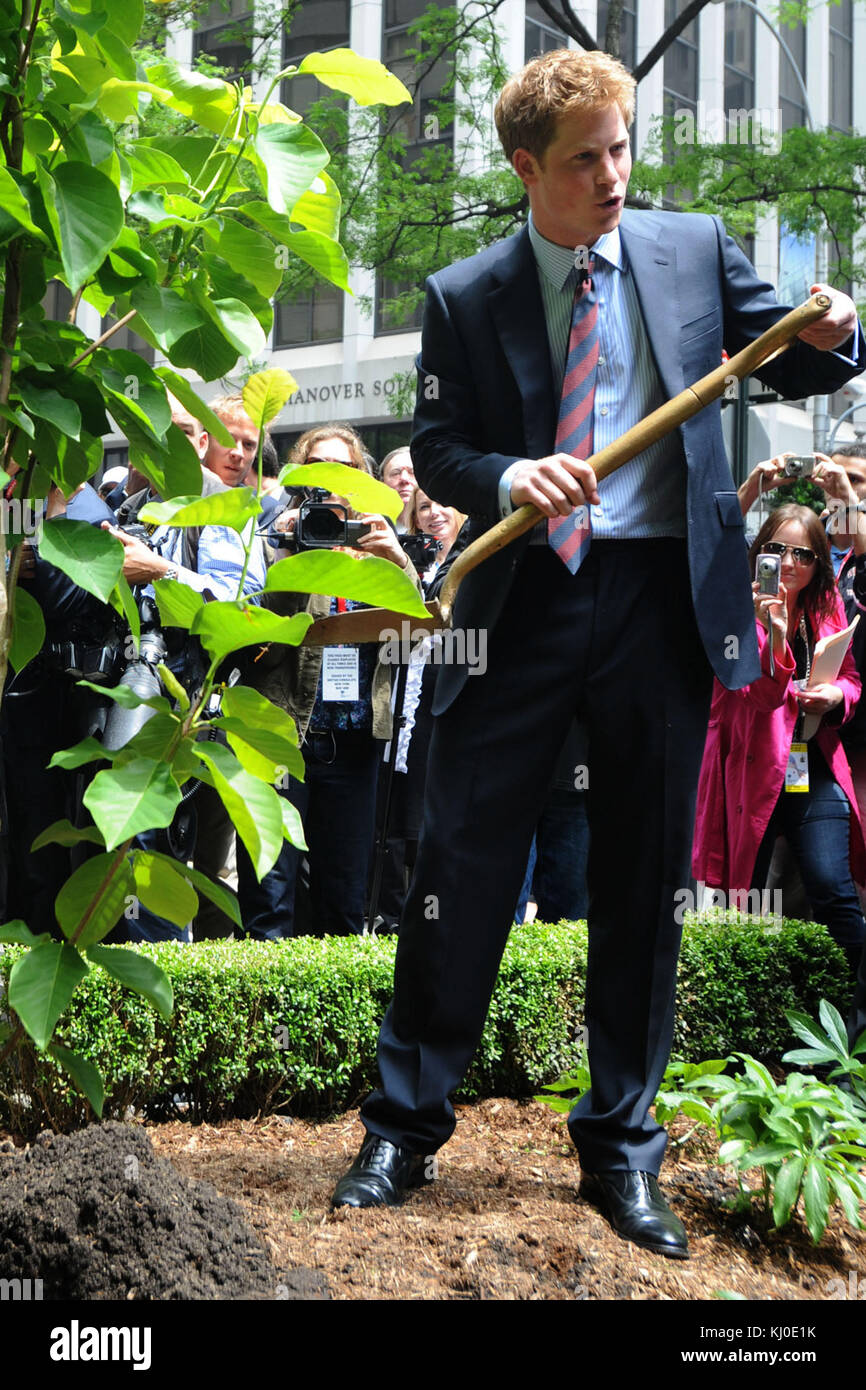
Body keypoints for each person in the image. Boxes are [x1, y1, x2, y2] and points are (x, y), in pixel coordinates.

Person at [330, 47, 866, 1258]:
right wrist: (510, 472)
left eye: (622, 148)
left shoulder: (685, 248)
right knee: (459, 870)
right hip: (524, 598)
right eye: (585, 160)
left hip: (659, 602)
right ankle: (402, 1129)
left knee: (637, 886)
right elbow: (444, 443)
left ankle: (621, 1153)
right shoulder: (466, 295)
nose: (614, 176)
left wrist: (834, 321)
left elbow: (801, 351)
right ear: (528, 170)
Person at [237, 424, 421, 939]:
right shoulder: (272, 534)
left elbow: (416, 632)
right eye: (318, 466)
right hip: (279, 736)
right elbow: (255, 632)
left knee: (344, 899)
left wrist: (396, 560)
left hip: (356, 742)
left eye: (343, 467)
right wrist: (294, 556)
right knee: (270, 895)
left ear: (361, 475)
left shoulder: (377, 539)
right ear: (300, 474)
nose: (330, 478)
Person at [692, 504, 866, 982]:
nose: (788, 564)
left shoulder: (827, 607)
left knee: (833, 888)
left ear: (818, 565)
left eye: (803, 555)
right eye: (775, 550)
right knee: (743, 894)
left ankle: (855, 1015)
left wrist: (836, 695)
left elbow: (851, 678)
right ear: (757, 553)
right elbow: (760, 694)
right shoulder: (731, 605)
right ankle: (744, 1014)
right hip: (750, 764)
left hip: (813, 762)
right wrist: (772, 634)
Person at [380, 447, 416, 532]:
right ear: (382, 483)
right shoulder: (372, 525)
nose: (404, 479)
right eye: (395, 473)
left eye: (412, 472)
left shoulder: (440, 523)